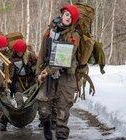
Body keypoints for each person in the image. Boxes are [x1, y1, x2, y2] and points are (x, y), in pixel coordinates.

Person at [36, 4, 80, 140]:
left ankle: (61, 136)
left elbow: (64, 57)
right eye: (67, 14)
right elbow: (42, 53)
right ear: (62, 14)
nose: (68, 18)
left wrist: (47, 71)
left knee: (62, 110)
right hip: (48, 75)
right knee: (43, 108)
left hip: (66, 77)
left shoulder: (74, 35)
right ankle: (47, 125)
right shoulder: (50, 31)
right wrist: (39, 72)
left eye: (71, 17)